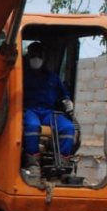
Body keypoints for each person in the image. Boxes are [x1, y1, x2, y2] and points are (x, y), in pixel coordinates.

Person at [21, 41, 76, 179]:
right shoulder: (22, 75)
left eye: (39, 54)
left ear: (44, 57)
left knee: (68, 127)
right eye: (33, 54)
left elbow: (63, 94)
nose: (36, 58)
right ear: (28, 55)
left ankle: (63, 163)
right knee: (32, 126)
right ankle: (32, 163)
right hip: (30, 110)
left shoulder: (52, 77)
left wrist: (67, 101)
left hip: (48, 112)